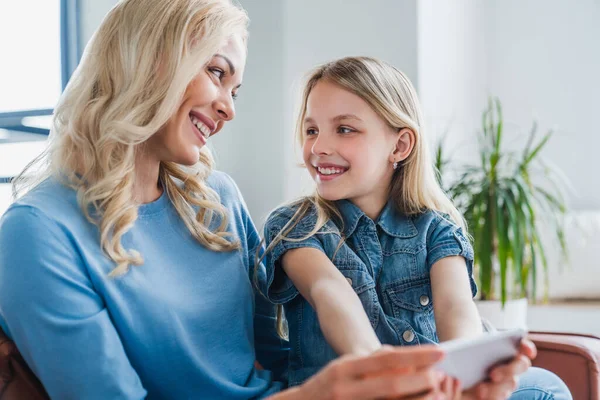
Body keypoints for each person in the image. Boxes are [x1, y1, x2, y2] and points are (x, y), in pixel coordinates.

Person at [0, 0, 468, 399]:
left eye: (235, 88)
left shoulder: (217, 199)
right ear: (149, 60)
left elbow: (274, 359)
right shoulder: (37, 232)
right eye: (216, 73)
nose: (229, 107)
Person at [258, 56, 572, 399]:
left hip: (440, 390)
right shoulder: (295, 225)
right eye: (311, 130)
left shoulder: (436, 229)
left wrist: (464, 375)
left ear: (400, 145)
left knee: (545, 387)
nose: (318, 148)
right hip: (358, 392)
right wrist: (385, 376)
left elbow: (456, 311)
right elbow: (329, 291)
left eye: (344, 129)